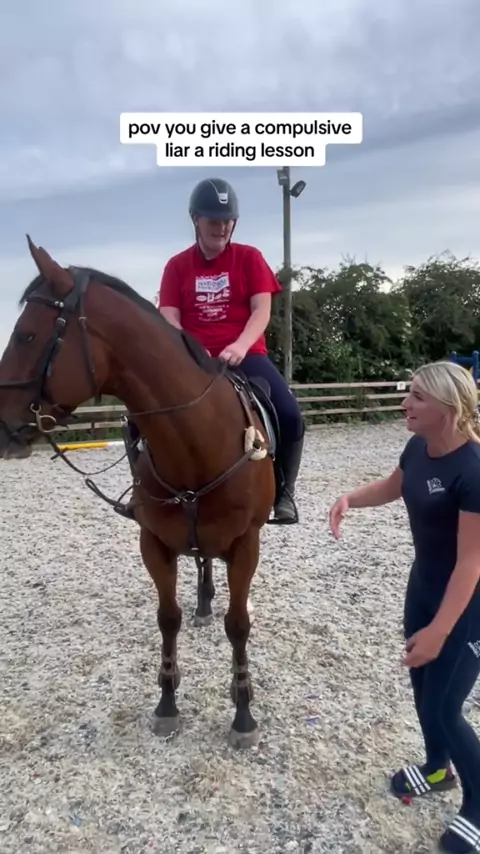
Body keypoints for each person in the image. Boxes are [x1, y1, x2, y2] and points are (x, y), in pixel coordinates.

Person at [329, 361, 480, 854]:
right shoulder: (419, 446)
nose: (404, 403)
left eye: (417, 396)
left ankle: (479, 803)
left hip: (466, 605)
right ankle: (437, 768)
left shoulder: (473, 471)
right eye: (408, 393)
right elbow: (397, 485)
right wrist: (350, 499)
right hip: (423, 589)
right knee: (421, 688)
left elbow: (471, 563)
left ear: (448, 408)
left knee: (445, 706)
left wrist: (440, 630)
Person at [157, 176, 305, 524]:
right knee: (142, 415)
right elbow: (168, 315)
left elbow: (261, 310)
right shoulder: (177, 266)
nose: (221, 227)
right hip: (194, 360)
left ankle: (284, 492)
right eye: (213, 220)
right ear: (196, 219)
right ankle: (146, 490)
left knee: (289, 414)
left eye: (227, 220)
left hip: (245, 355)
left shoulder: (250, 258)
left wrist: (240, 345)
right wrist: (190, 348)